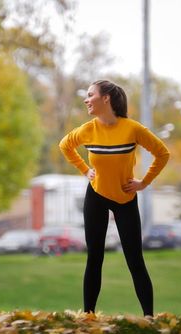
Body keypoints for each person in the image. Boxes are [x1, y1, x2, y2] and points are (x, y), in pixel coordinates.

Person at [59, 80, 169, 316]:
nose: (86, 100)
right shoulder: (88, 129)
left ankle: (149, 319)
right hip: (96, 197)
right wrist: (84, 169)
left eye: (90, 95)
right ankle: (88, 317)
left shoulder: (132, 129)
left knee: (135, 261)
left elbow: (162, 153)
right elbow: (65, 145)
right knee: (94, 259)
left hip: (126, 199)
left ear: (106, 98)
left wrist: (144, 182)